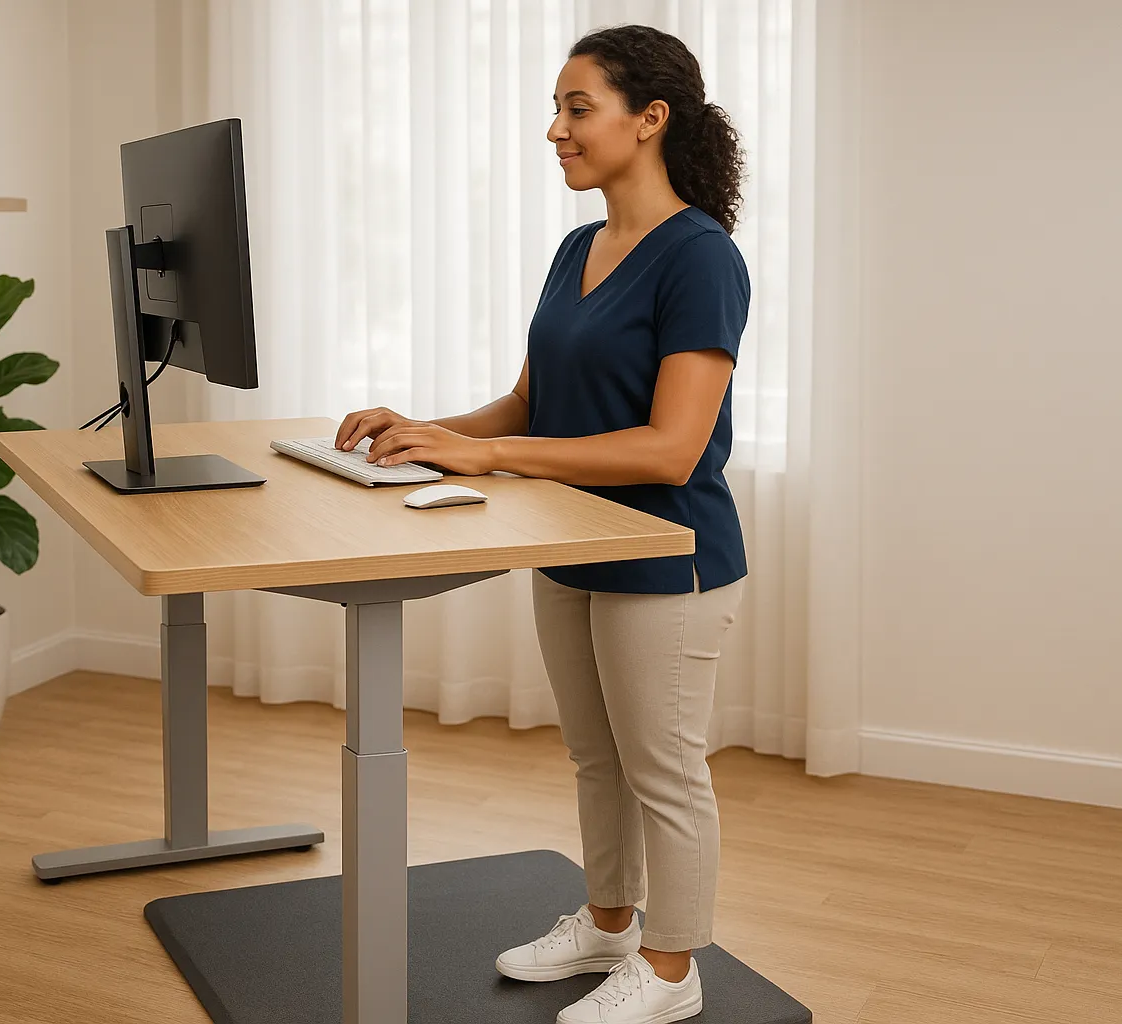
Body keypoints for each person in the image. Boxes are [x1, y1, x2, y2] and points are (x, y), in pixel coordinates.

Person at [334, 23, 749, 1024]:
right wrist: (432, 429)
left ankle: (671, 970)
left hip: (668, 553)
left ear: (649, 121)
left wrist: (491, 456)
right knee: (597, 756)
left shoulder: (699, 257)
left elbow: (669, 449)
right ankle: (609, 923)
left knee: (664, 770)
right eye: (555, 109)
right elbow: (528, 406)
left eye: (577, 109)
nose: (555, 130)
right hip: (573, 541)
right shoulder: (581, 246)